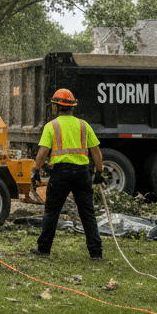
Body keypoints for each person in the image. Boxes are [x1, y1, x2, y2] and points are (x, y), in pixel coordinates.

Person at [29, 88, 105, 260]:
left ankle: (43, 249)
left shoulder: (52, 126)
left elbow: (42, 152)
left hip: (61, 173)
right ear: (72, 107)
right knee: (87, 213)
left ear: (56, 107)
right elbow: (96, 151)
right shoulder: (83, 125)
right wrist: (99, 172)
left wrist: (36, 170)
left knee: (52, 212)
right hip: (82, 173)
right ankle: (96, 253)